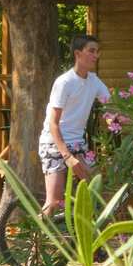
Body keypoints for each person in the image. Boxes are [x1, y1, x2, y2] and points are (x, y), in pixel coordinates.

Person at [39, 34, 110, 216]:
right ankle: (35, 235)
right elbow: (53, 124)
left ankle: (83, 231)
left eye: (97, 51)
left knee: (97, 190)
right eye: (91, 51)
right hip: (54, 143)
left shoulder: (94, 81)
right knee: (55, 203)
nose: (96, 56)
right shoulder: (64, 82)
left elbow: (112, 108)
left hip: (77, 143)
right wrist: (67, 156)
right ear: (78, 53)